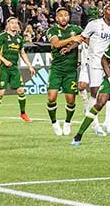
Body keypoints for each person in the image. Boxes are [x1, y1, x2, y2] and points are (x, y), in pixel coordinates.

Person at [78, 4, 110, 136]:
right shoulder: (94, 24)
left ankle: (108, 123)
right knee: (95, 93)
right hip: (96, 62)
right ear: (103, 11)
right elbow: (82, 36)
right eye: (109, 9)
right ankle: (95, 124)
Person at [46, 8, 84, 136]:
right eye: (60, 16)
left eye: (65, 15)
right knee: (51, 98)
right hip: (56, 69)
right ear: (56, 18)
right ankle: (54, 123)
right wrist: (72, 39)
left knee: (71, 100)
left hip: (71, 70)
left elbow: (83, 39)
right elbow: (56, 44)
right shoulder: (52, 30)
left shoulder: (76, 29)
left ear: (69, 17)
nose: (63, 18)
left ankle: (67, 122)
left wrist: (71, 46)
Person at [0, 18, 36, 125]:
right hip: (3, 68)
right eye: (12, 23)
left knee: (21, 91)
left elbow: (22, 53)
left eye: (16, 23)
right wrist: (5, 61)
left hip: (14, 68)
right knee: (1, 92)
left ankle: (23, 113)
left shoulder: (19, 38)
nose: (14, 25)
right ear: (7, 25)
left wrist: (30, 66)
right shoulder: (2, 36)